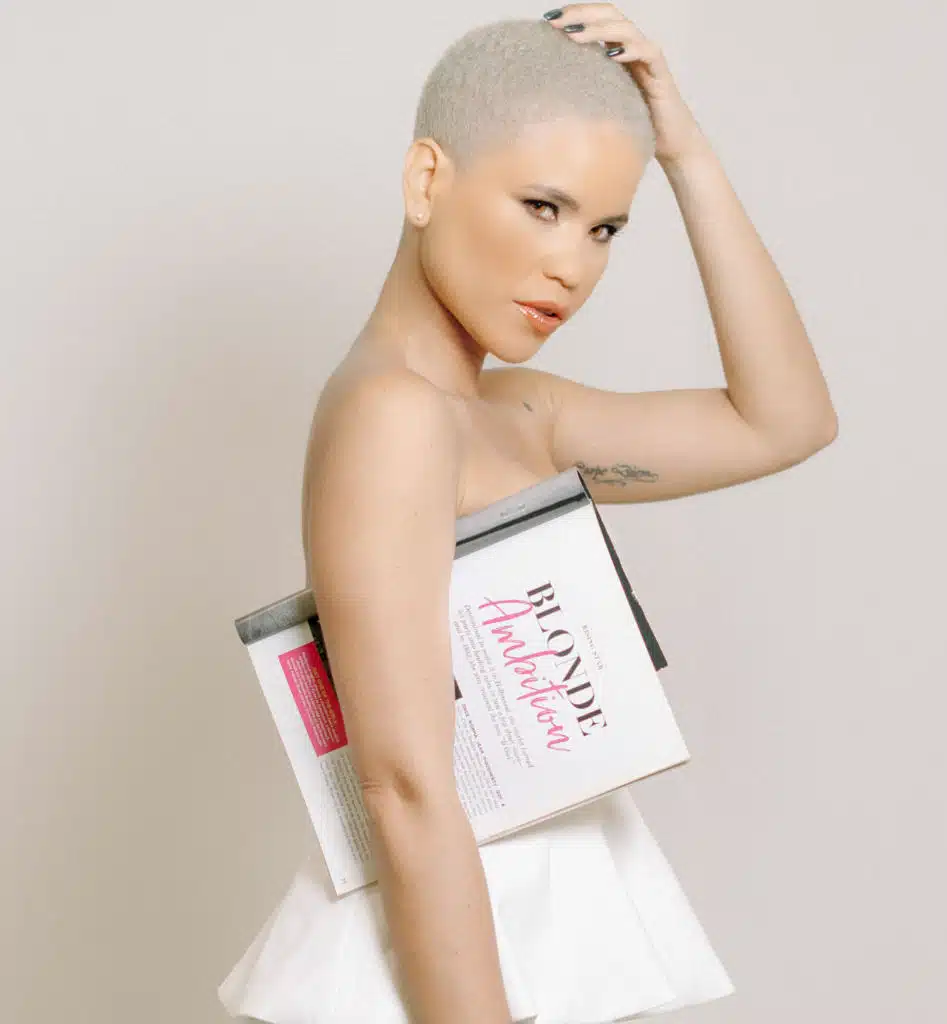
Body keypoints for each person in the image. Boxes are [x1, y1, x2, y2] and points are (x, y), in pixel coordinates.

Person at [218, 8, 837, 1023]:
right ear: (427, 181)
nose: (573, 266)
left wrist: (685, 152)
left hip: (525, 943)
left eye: (604, 229)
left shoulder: (518, 415)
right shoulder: (391, 417)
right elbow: (404, 786)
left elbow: (785, 421)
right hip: (443, 977)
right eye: (542, 206)